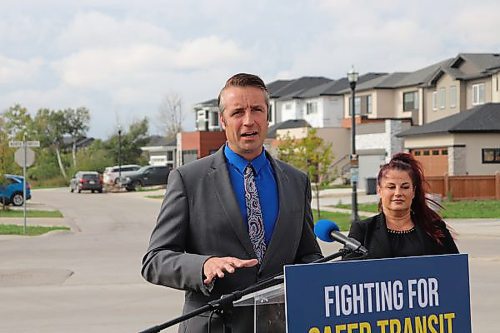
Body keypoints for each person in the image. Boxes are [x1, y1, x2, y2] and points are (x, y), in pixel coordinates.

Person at [141, 73, 322, 332]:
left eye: (257, 110)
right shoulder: (188, 180)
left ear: (267, 116)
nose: (249, 121)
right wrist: (203, 265)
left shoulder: (296, 181)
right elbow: (155, 261)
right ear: (223, 120)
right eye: (238, 112)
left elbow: (308, 254)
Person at [344, 152, 458, 260]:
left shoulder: (434, 228)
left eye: (405, 187)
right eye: (391, 187)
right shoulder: (362, 231)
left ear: (413, 191)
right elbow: (347, 275)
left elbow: (455, 269)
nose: (398, 193)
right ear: (379, 190)